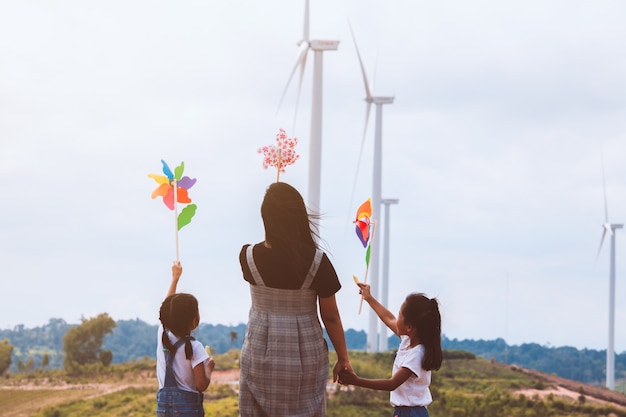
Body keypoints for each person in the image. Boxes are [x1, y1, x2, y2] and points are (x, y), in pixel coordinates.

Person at [238, 182, 353, 417]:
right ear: (299, 216)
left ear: (265, 218)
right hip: (303, 356)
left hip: (259, 352)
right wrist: (343, 358)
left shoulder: (248, 256)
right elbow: (330, 317)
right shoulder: (318, 261)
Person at [339, 282, 442, 417]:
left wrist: (355, 380)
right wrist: (368, 298)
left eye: (400, 315)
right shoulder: (408, 341)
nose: (396, 318)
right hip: (407, 412)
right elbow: (388, 318)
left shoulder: (417, 354)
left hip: (411, 413)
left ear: (409, 327)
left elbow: (391, 384)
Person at [156, 261, 215, 417]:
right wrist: (209, 368)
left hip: (163, 411)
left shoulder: (163, 336)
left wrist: (174, 278)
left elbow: (168, 305)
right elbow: (201, 384)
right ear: (194, 321)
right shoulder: (195, 347)